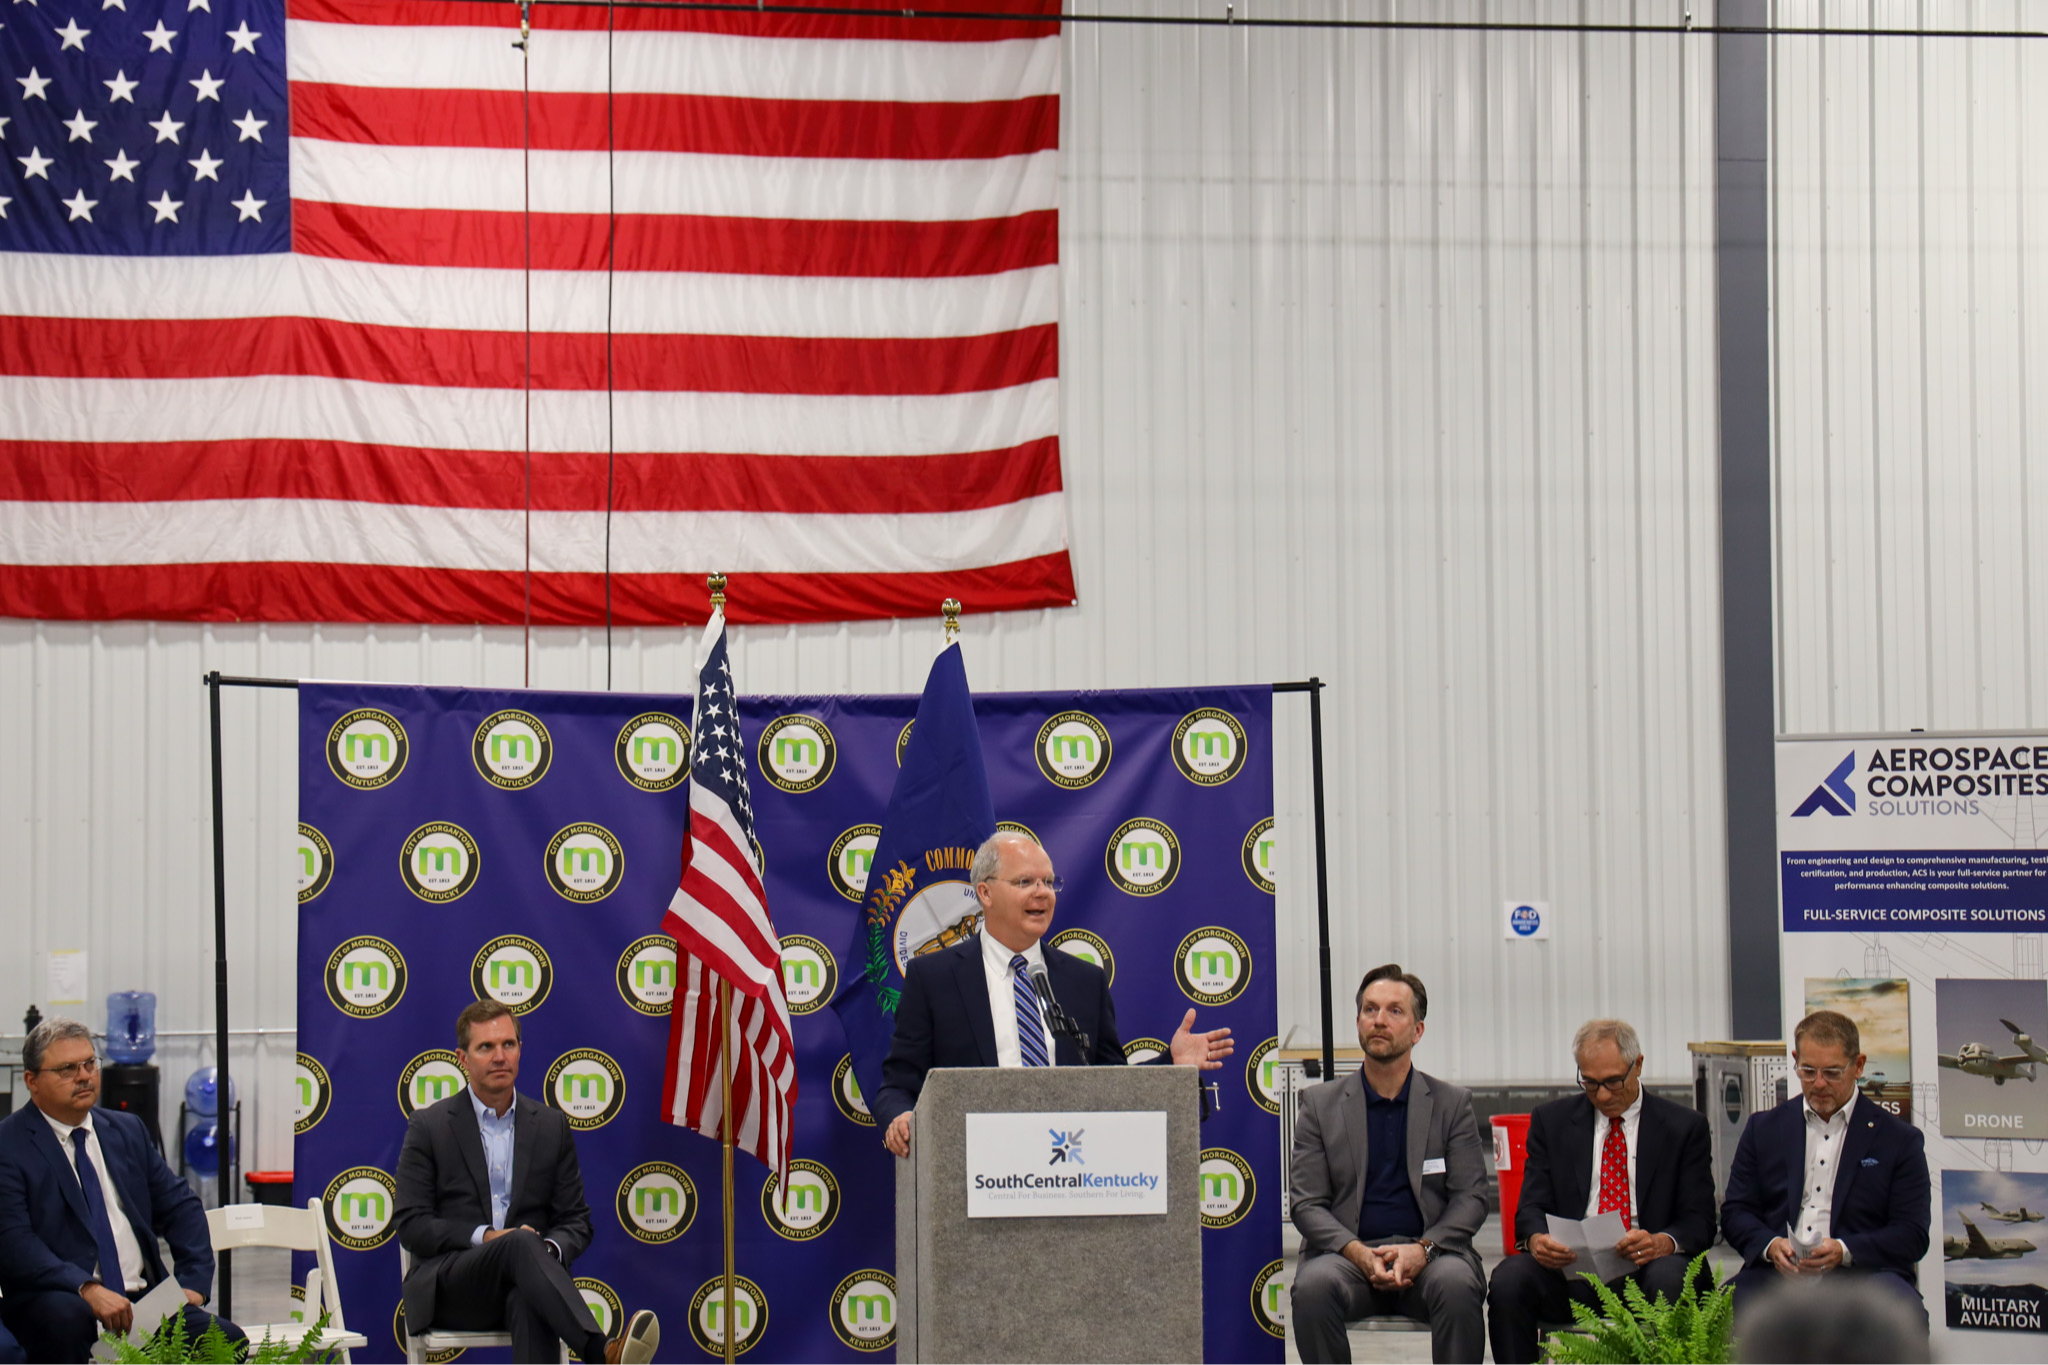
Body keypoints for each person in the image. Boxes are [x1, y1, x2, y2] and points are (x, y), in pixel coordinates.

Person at [874, 831, 1234, 1156]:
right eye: (1025, 881)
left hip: (1067, 1166)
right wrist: (901, 1117)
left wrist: (1172, 1065)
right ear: (985, 893)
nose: (1042, 892)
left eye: (1048, 882)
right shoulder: (933, 978)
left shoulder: (1084, 981)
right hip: (971, 1165)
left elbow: (1113, 1085)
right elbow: (898, 1085)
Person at [394, 1000, 659, 1365]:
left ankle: (597, 1348)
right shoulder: (429, 1126)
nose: (499, 1056)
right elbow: (411, 1224)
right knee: (519, 1244)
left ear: (520, 1050)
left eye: (508, 1044)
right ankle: (601, 1354)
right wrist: (488, 1237)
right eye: (486, 1047)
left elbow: (575, 1221)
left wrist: (544, 1252)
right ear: (462, 1058)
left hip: (528, 1285)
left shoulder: (551, 1126)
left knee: (529, 1292)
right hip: (454, 1288)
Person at [0, 1016, 240, 1364]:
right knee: (67, 1321)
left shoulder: (126, 1130)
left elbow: (181, 1206)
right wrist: (87, 1288)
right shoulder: (9, 1145)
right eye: (67, 1069)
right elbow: (14, 1242)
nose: (84, 1076)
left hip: (143, 1301)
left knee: (227, 1342)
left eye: (89, 1063)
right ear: (31, 1081)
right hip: (61, 1301)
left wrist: (193, 1283)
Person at [1290, 964, 1490, 1365]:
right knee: (1312, 1287)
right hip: (1347, 1260)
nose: (1379, 1020)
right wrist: (1357, 1253)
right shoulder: (1319, 1105)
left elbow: (1471, 1198)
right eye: (1370, 1009)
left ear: (1417, 1030)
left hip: (1432, 1259)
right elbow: (1306, 1203)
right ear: (1358, 1022)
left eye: (1395, 1011)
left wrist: (1423, 1249)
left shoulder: (1452, 1104)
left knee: (1457, 1285)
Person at [1486, 1019, 1717, 1365]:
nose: (1603, 1095)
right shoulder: (1552, 1122)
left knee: (1671, 1279)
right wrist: (1537, 1240)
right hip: (1572, 1270)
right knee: (1509, 1280)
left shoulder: (1684, 1127)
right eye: (1590, 1083)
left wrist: (1661, 1242)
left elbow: (1700, 1221)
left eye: (1613, 1081)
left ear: (1638, 1065)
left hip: (1650, 1267)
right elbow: (1530, 1207)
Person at [1719, 1010, 1930, 1320]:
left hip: (1866, 1275)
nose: (1818, 1083)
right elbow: (1735, 1212)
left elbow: (1912, 1234)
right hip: (1776, 1275)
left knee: (1904, 1315)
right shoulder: (1762, 1129)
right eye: (1807, 1071)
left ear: (1858, 1066)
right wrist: (1771, 1246)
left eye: (1832, 1073)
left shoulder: (1899, 1139)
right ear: (1795, 1060)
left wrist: (1844, 1251)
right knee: (1717, 1312)